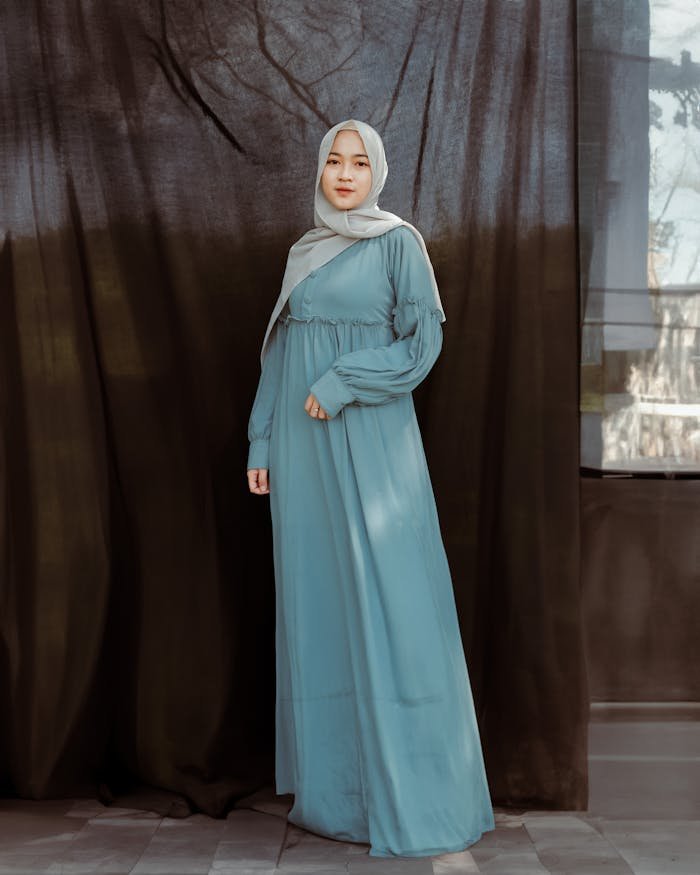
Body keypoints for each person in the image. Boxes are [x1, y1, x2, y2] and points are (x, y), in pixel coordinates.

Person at [246, 119, 494, 858]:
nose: (346, 173)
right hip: (301, 446)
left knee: (396, 605)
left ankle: (414, 794)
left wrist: (344, 381)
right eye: (334, 161)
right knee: (319, 607)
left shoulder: (398, 244)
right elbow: (278, 348)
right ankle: (340, 798)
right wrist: (261, 438)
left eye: (359, 162)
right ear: (320, 171)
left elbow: (422, 346)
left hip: (373, 440)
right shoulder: (306, 250)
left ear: (377, 171)